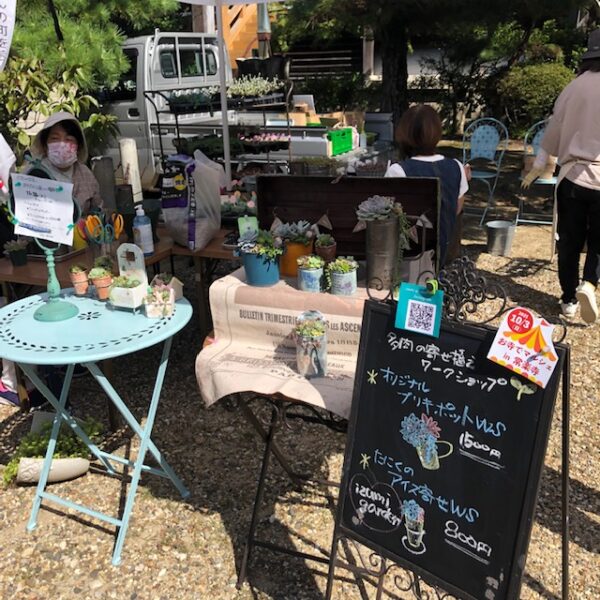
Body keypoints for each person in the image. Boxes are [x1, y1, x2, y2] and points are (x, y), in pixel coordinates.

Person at [522, 29, 600, 324]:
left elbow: (552, 132)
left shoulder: (573, 87)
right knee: (598, 242)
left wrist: (539, 165)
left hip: (571, 177)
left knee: (569, 241)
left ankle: (568, 299)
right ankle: (590, 283)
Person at [385, 104, 469, 267]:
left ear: (404, 133)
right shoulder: (457, 166)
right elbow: (456, 209)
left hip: (408, 258)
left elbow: (389, 219)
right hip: (445, 254)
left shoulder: (398, 171)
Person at [28, 111, 103, 215]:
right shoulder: (33, 173)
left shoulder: (86, 175)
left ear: (78, 146)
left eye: (69, 139)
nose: (62, 144)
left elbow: (98, 210)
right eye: (55, 138)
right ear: (45, 145)